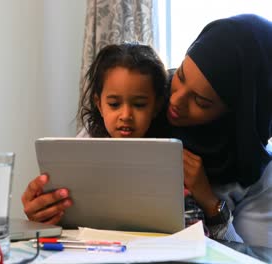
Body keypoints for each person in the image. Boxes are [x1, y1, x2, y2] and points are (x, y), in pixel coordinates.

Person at [22, 14, 272, 247]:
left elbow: (253, 258)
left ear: (239, 113)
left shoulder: (258, 173)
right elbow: (71, 203)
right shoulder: (137, 102)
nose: (175, 101)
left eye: (200, 102)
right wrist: (45, 209)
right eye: (181, 76)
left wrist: (209, 201)